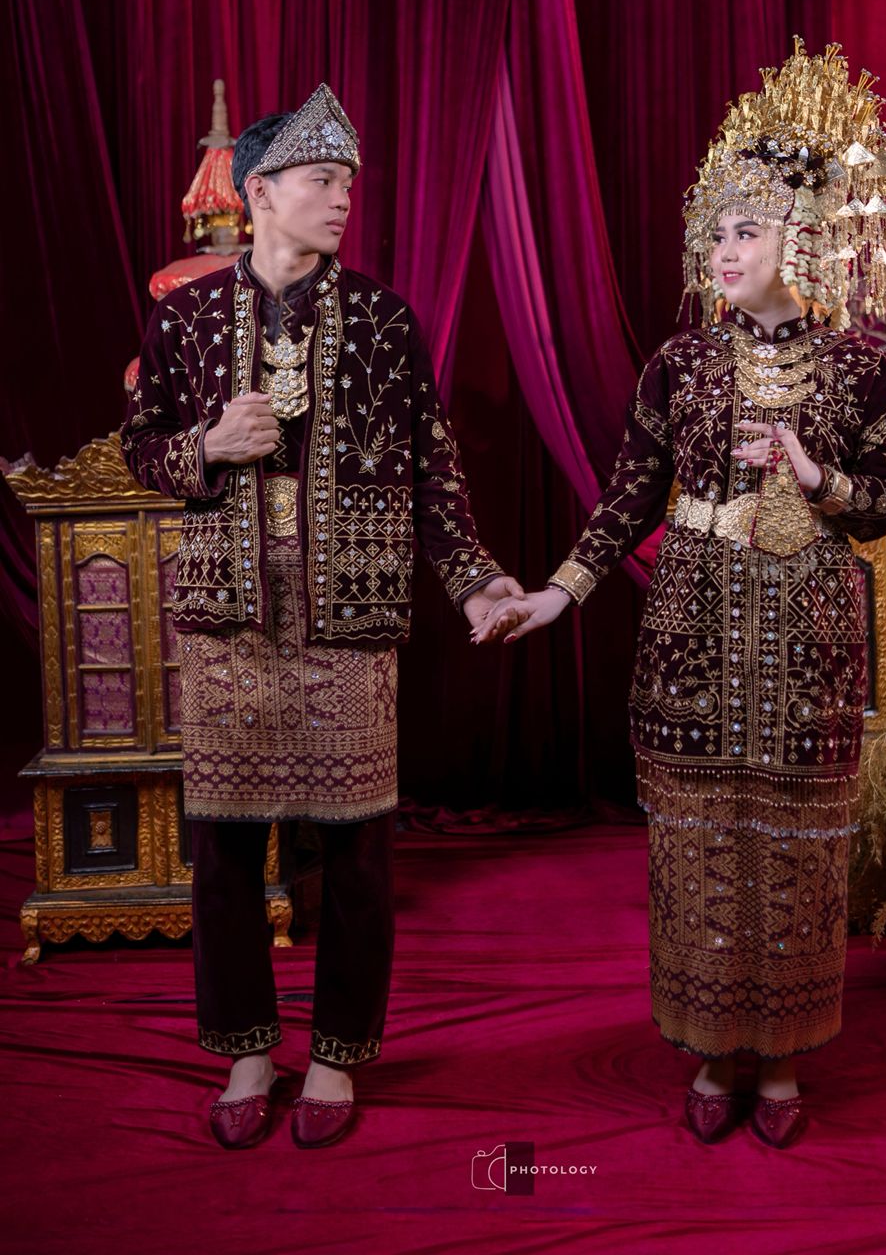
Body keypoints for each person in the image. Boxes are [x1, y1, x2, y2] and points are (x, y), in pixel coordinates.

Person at [476, 41, 886, 1149]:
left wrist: (819, 481)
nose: (725, 250)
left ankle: (785, 1054)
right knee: (703, 834)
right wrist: (561, 593)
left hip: (811, 632)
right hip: (692, 626)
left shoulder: (862, 369)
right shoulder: (677, 367)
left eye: (747, 230)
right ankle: (717, 1046)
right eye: (716, 232)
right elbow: (628, 496)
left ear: (799, 238)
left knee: (795, 839)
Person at [122, 82, 523, 1150]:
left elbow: (434, 468)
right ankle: (249, 1052)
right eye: (321, 180)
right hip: (229, 611)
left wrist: (476, 579)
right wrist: (208, 447)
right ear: (260, 191)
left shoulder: (386, 319)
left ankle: (339, 1053)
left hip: (349, 610)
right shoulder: (185, 318)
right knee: (225, 851)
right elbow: (140, 447)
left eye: (349, 182)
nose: (343, 199)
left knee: (355, 850)